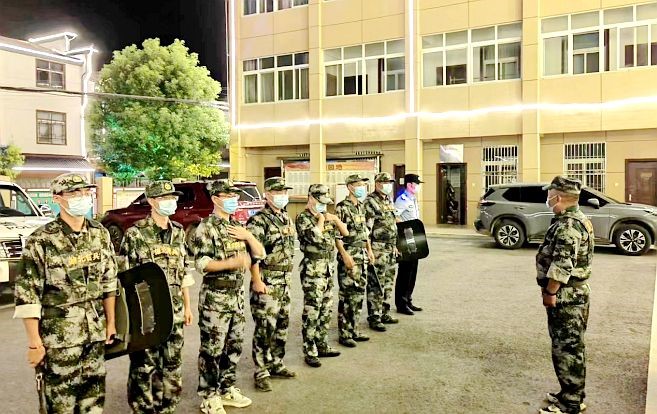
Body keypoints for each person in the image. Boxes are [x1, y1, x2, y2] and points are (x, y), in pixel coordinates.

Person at [13, 173, 117, 413]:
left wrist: (111, 323)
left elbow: (109, 282)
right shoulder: (41, 240)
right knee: (61, 404)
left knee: (93, 401)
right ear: (57, 198)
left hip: (95, 335)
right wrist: (34, 343)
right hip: (59, 341)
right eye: (74, 193)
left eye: (86, 192)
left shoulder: (100, 233)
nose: (82, 197)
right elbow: (28, 295)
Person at [190, 179, 265, 414]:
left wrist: (248, 236)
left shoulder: (237, 226)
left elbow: (259, 254)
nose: (233, 200)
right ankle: (209, 396)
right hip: (215, 297)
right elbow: (201, 264)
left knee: (234, 346)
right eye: (228, 196)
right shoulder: (206, 227)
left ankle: (226, 388)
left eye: (234, 196)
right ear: (215, 199)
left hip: (237, 296)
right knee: (212, 349)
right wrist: (230, 263)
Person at [120, 180, 195, 413]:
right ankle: (143, 409)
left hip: (175, 310)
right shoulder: (135, 234)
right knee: (144, 366)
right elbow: (125, 279)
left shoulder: (178, 232)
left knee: (172, 363)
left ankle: (168, 407)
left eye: (173, 198)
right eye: (164, 198)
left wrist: (188, 307)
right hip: (146, 313)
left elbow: (183, 272)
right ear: (152, 201)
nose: (170, 202)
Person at [537, 176, 594, 414]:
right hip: (574, 293)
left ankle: (570, 403)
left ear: (558, 197)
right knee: (571, 346)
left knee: (567, 349)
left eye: (550, 195)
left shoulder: (568, 226)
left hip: (567, 296)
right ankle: (570, 393)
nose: (548, 198)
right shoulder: (577, 219)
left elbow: (562, 265)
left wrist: (550, 292)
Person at [246, 177, 297, 392]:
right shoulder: (259, 221)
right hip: (267, 280)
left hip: (284, 281)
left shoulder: (285, 218)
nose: (282, 195)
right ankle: (261, 371)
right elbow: (253, 254)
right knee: (265, 328)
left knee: (282, 325)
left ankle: (277, 363)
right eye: (277, 192)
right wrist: (257, 280)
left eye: (284, 191)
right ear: (267, 195)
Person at [296, 184, 348, 367]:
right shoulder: (303, 218)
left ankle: (322, 344)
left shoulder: (327, 215)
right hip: (312, 270)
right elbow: (315, 237)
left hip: (327, 268)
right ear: (311, 198)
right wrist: (320, 220)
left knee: (326, 309)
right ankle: (310, 350)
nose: (323, 205)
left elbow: (344, 234)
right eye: (320, 201)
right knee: (312, 311)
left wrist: (335, 219)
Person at [336, 174, 376, 348]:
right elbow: (337, 236)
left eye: (363, 185)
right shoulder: (342, 208)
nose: (362, 187)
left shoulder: (361, 206)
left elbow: (365, 232)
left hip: (362, 255)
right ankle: (345, 333)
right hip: (350, 255)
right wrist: (344, 255)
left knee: (358, 294)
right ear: (350, 187)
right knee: (347, 295)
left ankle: (354, 330)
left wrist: (369, 250)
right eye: (359, 184)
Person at [364, 172, 399, 329]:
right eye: (385, 182)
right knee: (376, 284)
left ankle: (385, 312)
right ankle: (374, 316)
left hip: (390, 249)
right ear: (377, 183)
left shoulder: (388, 200)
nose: (388, 185)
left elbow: (392, 225)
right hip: (378, 248)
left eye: (390, 182)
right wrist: (369, 250)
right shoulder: (370, 202)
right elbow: (367, 229)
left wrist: (395, 245)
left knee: (388, 283)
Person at [394, 173, 423, 315]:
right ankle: (401, 303)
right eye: (417, 184)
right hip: (405, 238)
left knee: (412, 271)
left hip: (414, 238)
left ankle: (408, 299)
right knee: (405, 272)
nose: (418, 187)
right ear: (410, 185)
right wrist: (405, 227)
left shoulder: (413, 199)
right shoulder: (402, 200)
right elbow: (394, 216)